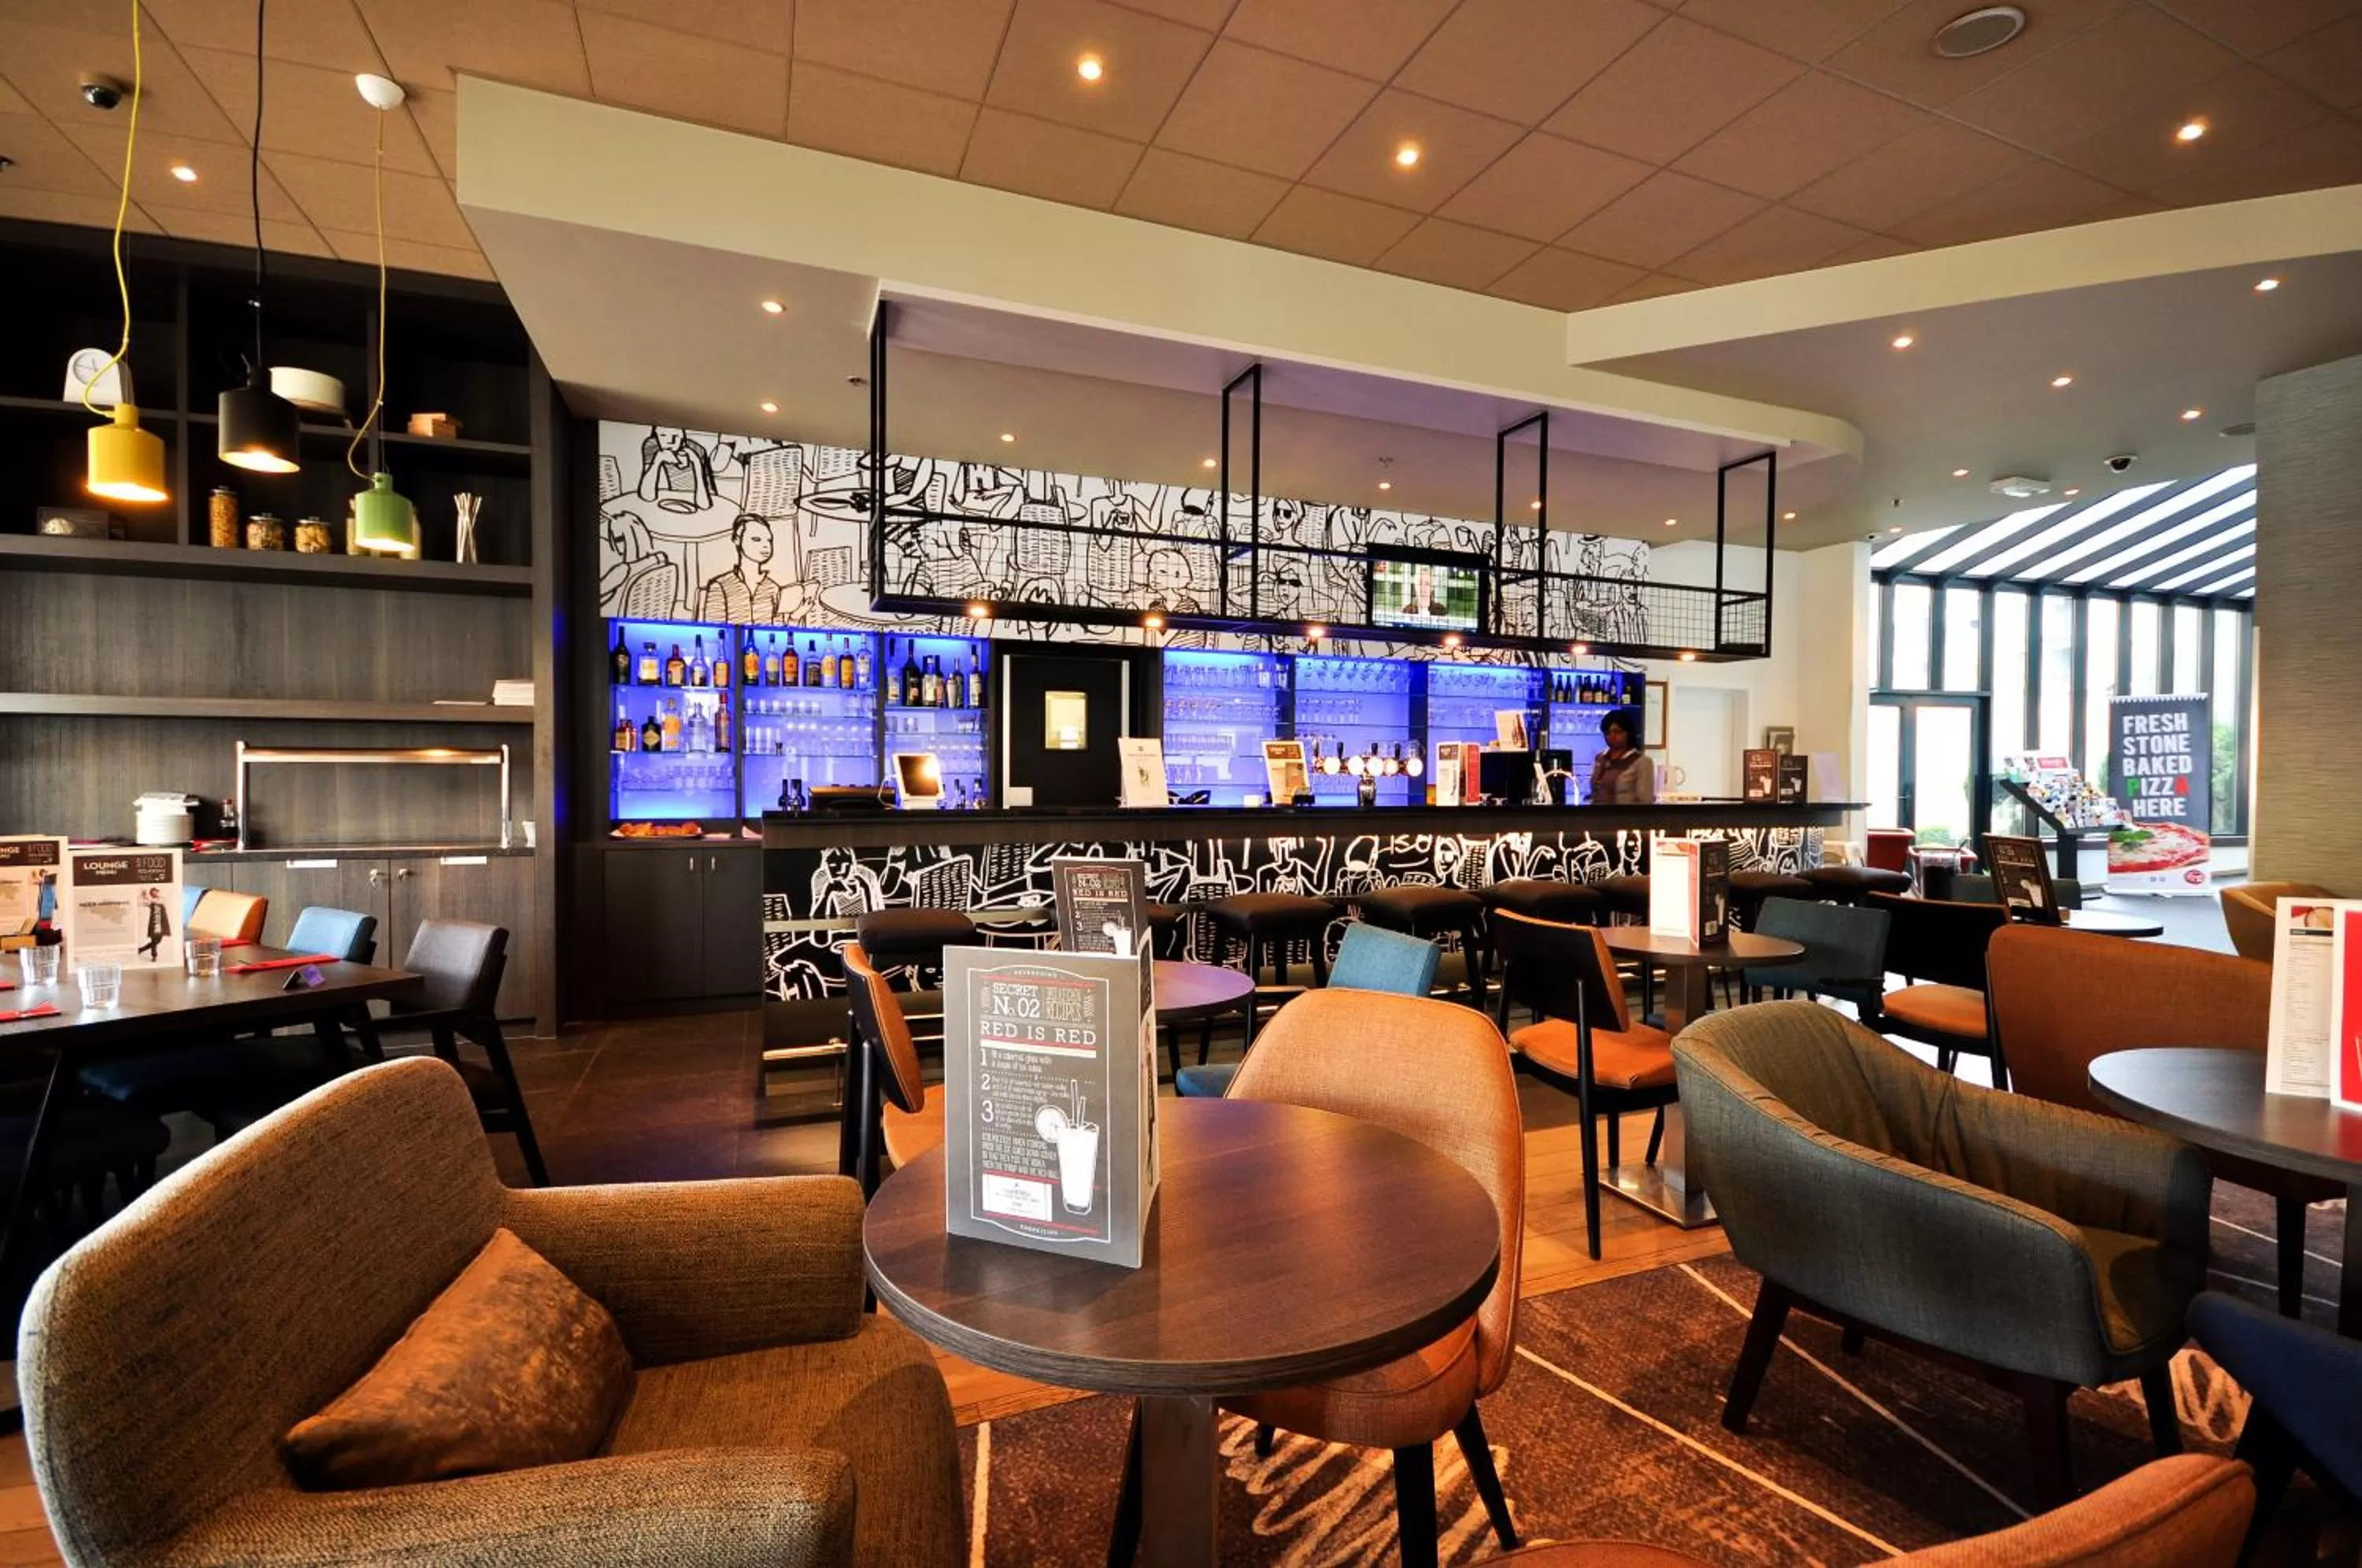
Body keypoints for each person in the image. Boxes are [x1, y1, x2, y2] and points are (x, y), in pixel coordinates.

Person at [698, 513, 783, 623]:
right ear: (737, 540)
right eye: (756, 539)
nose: (766, 545)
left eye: (769, 540)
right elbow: (714, 631)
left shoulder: (773, 589)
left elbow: (778, 633)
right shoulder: (721, 586)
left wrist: (795, 617)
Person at [1590, 706, 1655, 804]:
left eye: (1617, 732)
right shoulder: (1601, 759)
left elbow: (1645, 802)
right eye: (1608, 733)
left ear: (1628, 733)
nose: (1612, 737)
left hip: (1625, 818)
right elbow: (1595, 793)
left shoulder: (1642, 762)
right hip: (1597, 817)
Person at [137, 886, 169, 962]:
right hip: (154, 923)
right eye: (155, 892)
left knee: (159, 940)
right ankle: (154, 956)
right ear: (152, 893)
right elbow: (139, 903)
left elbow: (156, 901)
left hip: (161, 923)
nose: (157, 893)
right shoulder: (150, 902)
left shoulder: (162, 899)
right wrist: (142, 896)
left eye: (157, 891)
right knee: (154, 941)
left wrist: (147, 897)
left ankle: (141, 949)